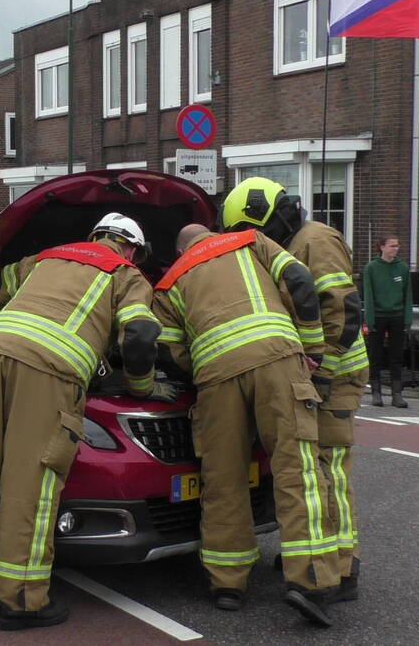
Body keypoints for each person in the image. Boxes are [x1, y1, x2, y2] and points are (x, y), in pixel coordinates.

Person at [0, 213, 169, 631]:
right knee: (29, 486)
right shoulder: (127, 275)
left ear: (95, 235)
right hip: (49, 372)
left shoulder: (45, 259)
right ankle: (21, 601)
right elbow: (142, 336)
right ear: (131, 249)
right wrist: (141, 386)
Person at [151, 223, 340, 627]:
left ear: (180, 248)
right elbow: (300, 281)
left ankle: (227, 584)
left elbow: (167, 350)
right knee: (298, 470)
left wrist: (202, 365)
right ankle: (310, 582)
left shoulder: (169, 281)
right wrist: (311, 346)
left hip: (216, 379)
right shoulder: (249, 240)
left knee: (223, 478)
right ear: (210, 232)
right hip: (277, 360)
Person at [220, 178, 370, 605]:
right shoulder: (290, 244)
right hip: (311, 372)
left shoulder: (315, 239)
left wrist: (319, 376)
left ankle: (342, 567)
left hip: (334, 375)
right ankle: (313, 554)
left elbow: (342, 310)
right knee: (307, 467)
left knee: (327, 469)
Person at [362, 235, 413, 408]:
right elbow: (368, 295)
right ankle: (376, 392)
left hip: (397, 315)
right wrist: (369, 319)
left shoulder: (403, 268)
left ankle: (397, 394)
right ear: (382, 247)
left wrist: (408, 318)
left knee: (396, 356)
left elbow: (408, 295)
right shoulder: (371, 268)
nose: (395, 249)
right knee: (375, 355)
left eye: (397, 246)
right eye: (392, 246)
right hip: (378, 315)